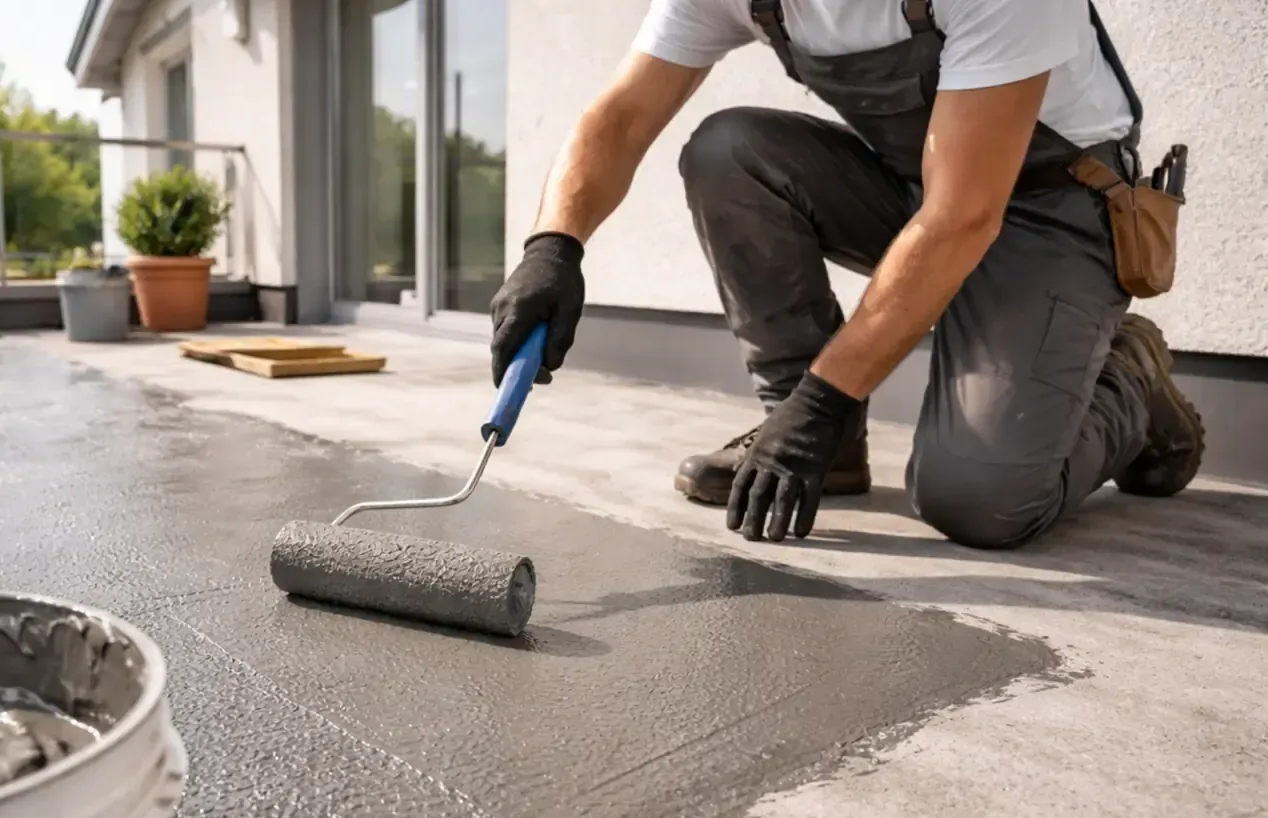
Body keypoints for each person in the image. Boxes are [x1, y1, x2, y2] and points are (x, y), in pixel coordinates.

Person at [488, 0, 1204, 547]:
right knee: (728, 154)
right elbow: (619, 118)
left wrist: (824, 397)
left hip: (1052, 211)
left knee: (978, 501)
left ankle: (1130, 376)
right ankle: (817, 448)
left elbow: (964, 217)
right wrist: (553, 248)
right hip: (919, 187)